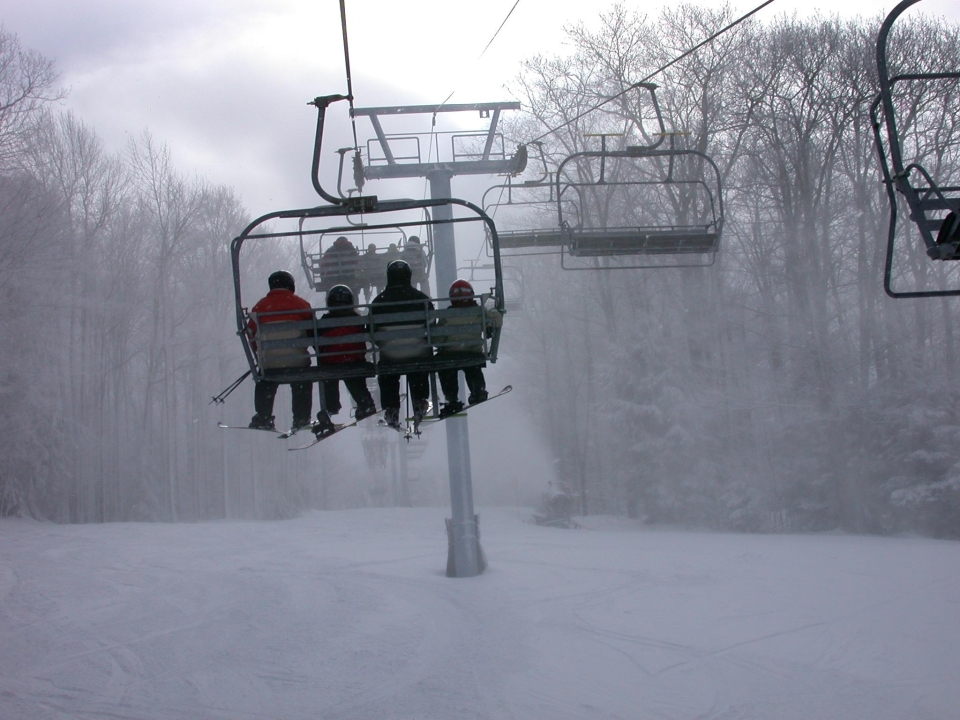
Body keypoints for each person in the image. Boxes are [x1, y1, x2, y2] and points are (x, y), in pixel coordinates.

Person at [246, 270, 314, 430]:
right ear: (291, 285)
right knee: (302, 381)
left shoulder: (260, 307)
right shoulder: (300, 304)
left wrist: (260, 355)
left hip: (270, 362)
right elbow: (313, 332)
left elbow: (252, 335)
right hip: (298, 361)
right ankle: (301, 418)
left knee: (265, 381)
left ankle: (263, 416)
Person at [370, 260, 433, 428]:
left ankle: (391, 408)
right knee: (418, 365)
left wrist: (385, 343)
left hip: (390, 355)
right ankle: (419, 401)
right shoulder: (422, 300)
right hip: (417, 353)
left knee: (388, 374)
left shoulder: (378, 303)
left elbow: (373, 334)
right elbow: (432, 328)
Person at [314, 284, 378, 435]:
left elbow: (317, 343)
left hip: (331, 363)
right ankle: (364, 402)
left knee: (330, 374)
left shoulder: (324, 321)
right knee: (353, 373)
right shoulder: (356, 319)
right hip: (354, 360)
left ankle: (330, 408)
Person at [435, 279, 502, 416]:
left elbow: (437, 339)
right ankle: (478, 390)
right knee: (473, 368)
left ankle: (452, 398)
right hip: (473, 351)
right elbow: (496, 319)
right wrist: (493, 316)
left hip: (450, 354)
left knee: (446, 369)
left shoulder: (446, 316)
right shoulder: (479, 312)